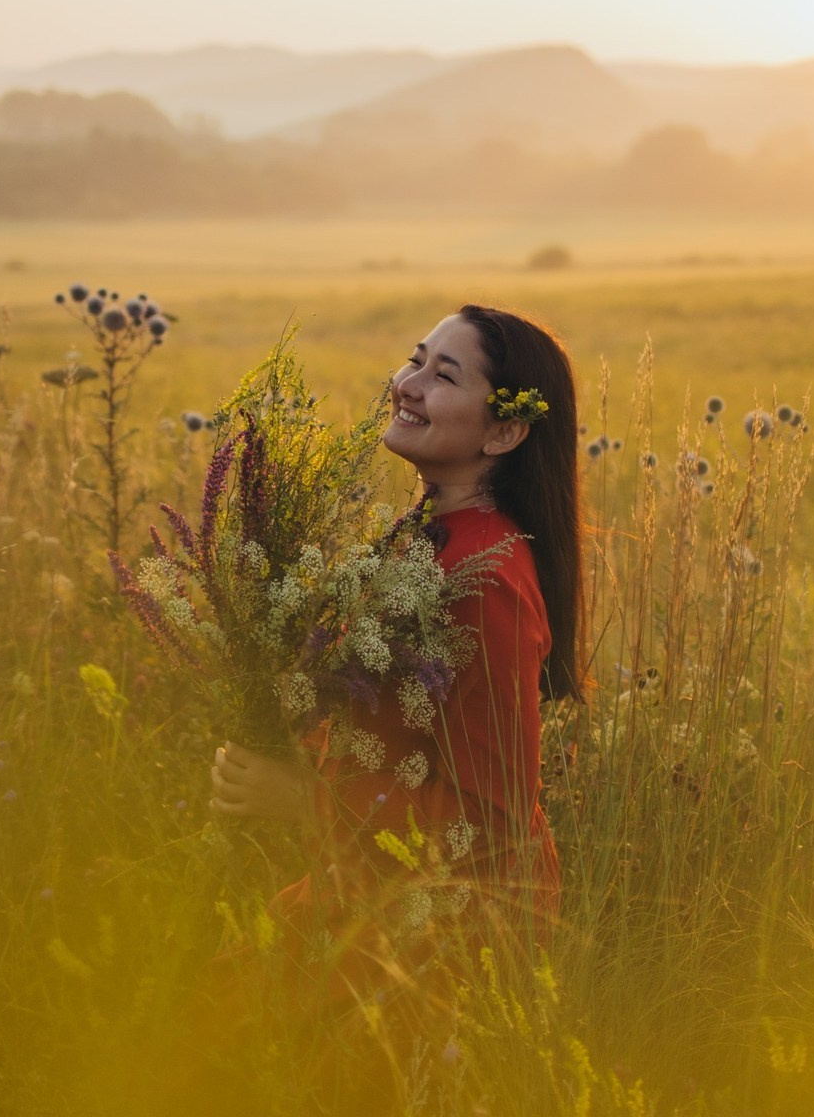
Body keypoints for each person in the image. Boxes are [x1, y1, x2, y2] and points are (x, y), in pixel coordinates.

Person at [208, 303, 583, 1006]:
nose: (407, 384)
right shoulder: (427, 535)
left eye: (442, 375)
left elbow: (493, 830)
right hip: (369, 892)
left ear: (504, 430)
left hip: (444, 936)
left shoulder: (487, 582)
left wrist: (303, 799)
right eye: (414, 360)